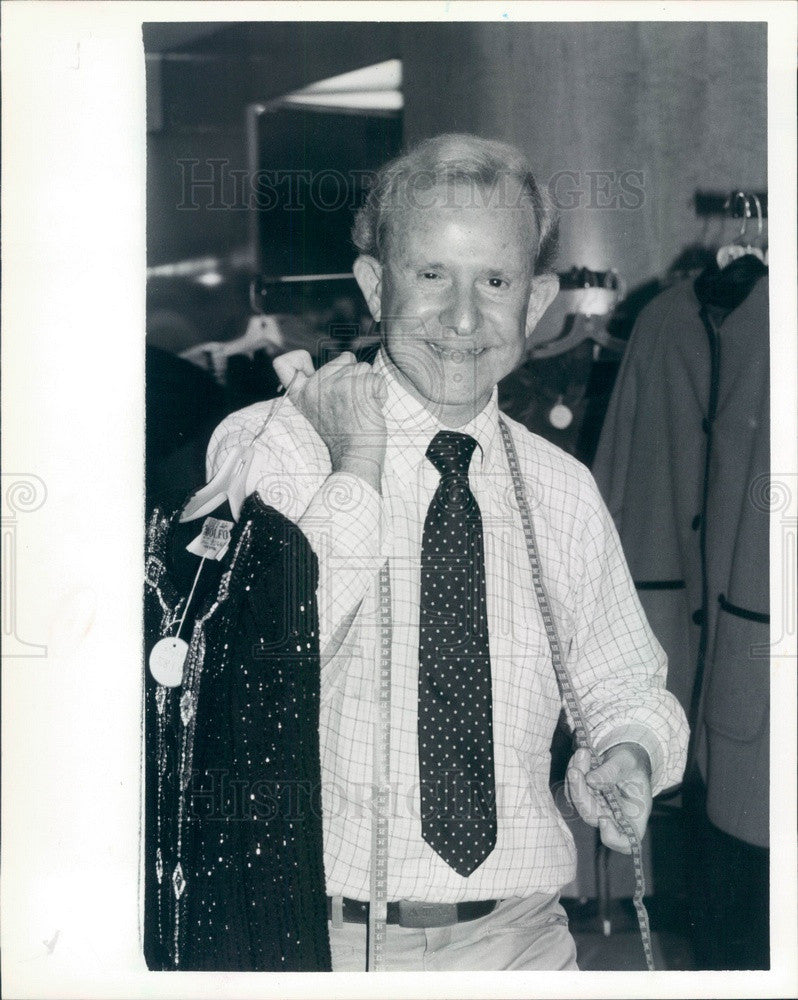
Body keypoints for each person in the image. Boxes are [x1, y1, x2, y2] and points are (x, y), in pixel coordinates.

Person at [206, 133, 689, 971]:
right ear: (373, 284)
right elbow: (265, 664)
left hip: (524, 937)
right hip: (324, 940)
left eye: (494, 282)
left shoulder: (562, 487)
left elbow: (625, 684)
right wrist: (357, 463)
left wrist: (628, 751)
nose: (463, 319)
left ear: (536, 300)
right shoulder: (269, 446)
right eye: (431, 275)